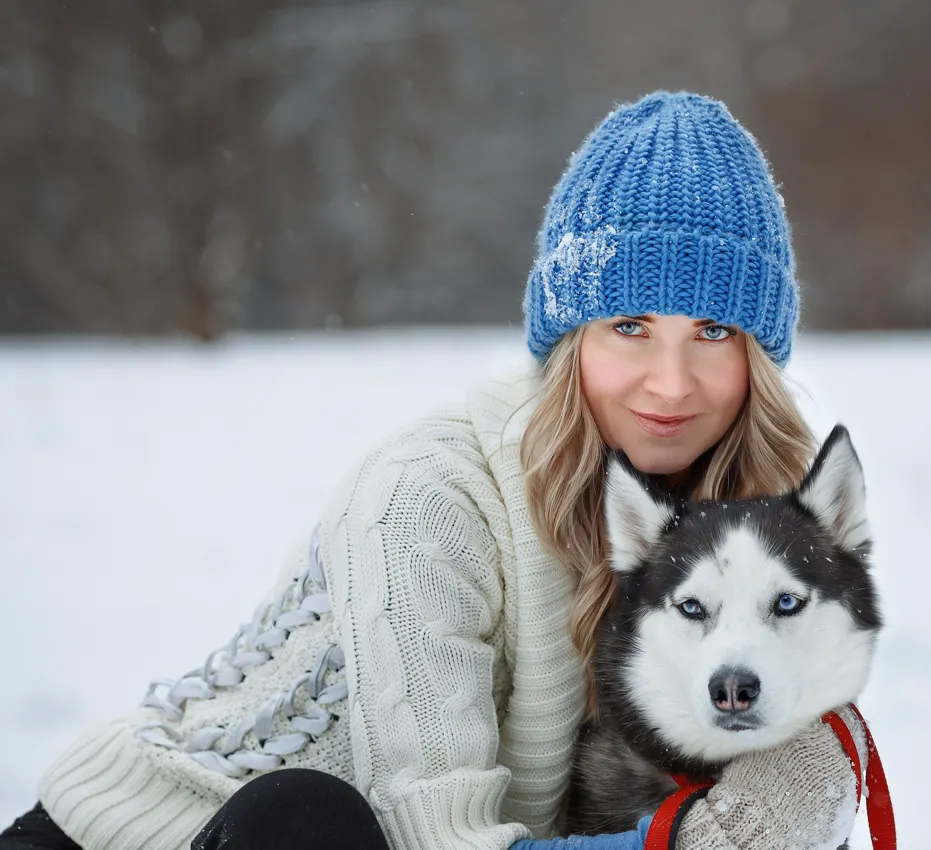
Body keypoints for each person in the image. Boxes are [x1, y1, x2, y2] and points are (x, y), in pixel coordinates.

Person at [1, 91, 867, 850]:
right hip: (159, 832)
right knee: (306, 819)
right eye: (629, 327)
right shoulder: (428, 498)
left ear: (760, 356)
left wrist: (808, 761)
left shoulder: (754, 534)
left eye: (713, 333)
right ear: (570, 339)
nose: (671, 384)